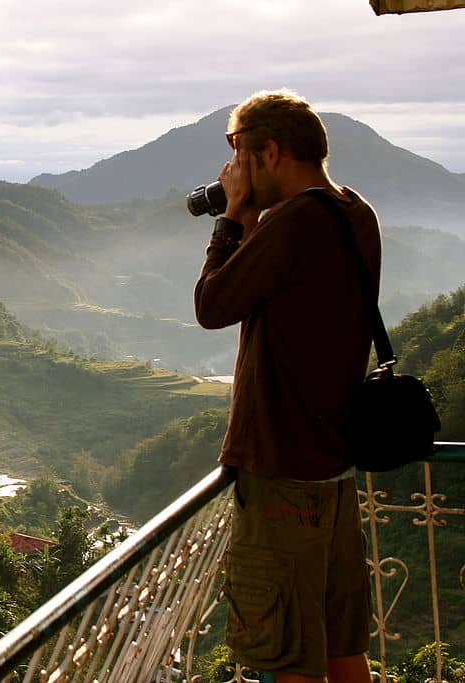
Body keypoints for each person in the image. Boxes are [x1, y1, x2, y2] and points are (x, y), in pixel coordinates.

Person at [193, 89, 378, 682]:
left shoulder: (294, 221)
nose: (232, 170)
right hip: (333, 468)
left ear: (269, 152)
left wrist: (234, 220)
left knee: (287, 653)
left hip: (282, 470)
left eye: (237, 152)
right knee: (341, 647)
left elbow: (212, 304)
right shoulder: (355, 212)